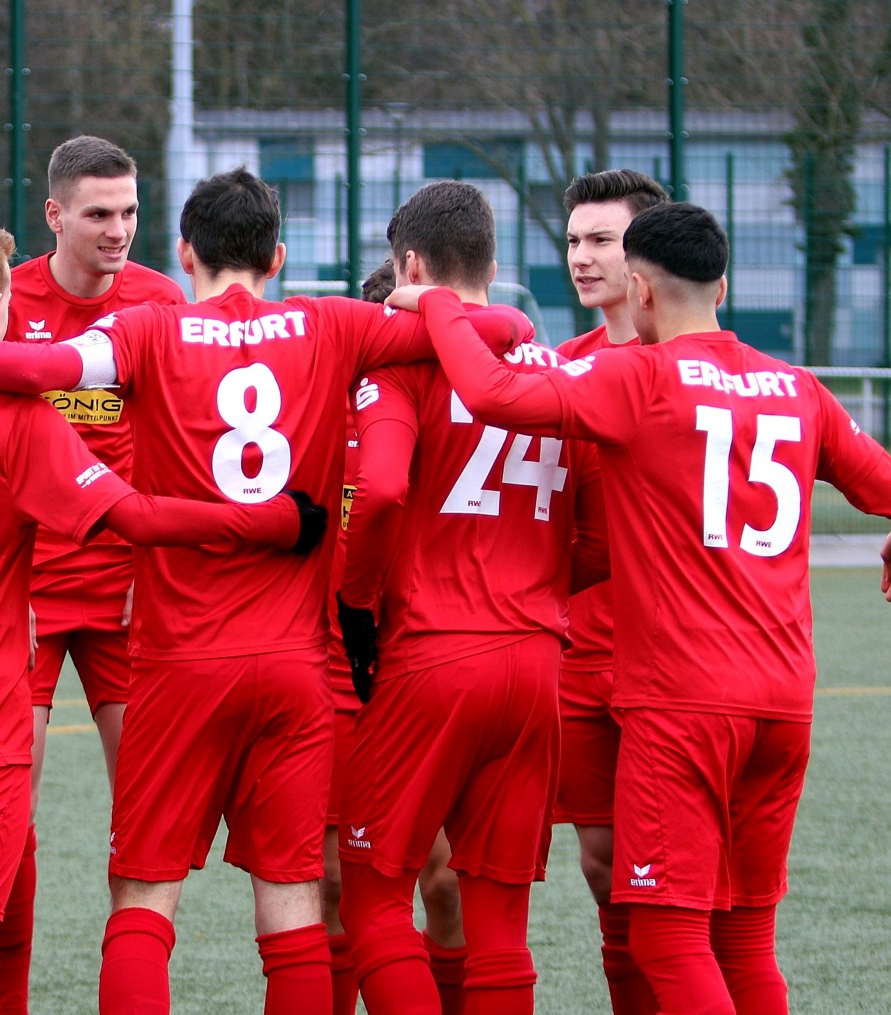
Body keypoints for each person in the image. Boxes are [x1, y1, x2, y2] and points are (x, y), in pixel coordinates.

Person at [0, 167, 438, 1015]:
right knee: (295, 905)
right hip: (296, 666)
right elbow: (499, 327)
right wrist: (426, 303)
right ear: (280, 255)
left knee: (143, 900)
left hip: (178, 657)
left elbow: (44, 365)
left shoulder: (150, 329)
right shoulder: (334, 323)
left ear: (182, 249)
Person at [388, 201, 891, 1015]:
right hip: (784, 705)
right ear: (723, 284)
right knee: (746, 938)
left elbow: (491, 389)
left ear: (638, 290)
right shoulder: (799, 388)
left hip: (682, 704)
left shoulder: (639, 377)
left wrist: (434, 300)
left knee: (665, 940)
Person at [335, 182, 604, 1015]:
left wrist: (356, 601)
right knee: (500, 927)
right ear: (492, 264)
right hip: (535, 664)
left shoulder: (407, 367)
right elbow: (599, 531)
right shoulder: (558, 371)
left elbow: (377, 493)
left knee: (375, 897)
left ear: (409, 268)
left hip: (432, 653)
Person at [0, 134, 188, 1015]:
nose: (119, 231)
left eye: (132, 213)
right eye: (100, 214)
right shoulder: (8, 298)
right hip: (25, 591)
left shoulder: (158, 299)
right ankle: (8, 996)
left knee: (146, 809)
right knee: (3, 812)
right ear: (55, 216)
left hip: (126, 590)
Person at [323, 258, 467, 1015]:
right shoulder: (326, 412)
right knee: (338, 882)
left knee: (447, 882)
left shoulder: (458, 414)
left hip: (427, 664)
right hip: (338, 673)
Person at [551, 167, 669, 1015]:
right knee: (603, 866)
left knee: (680, 886)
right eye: (574, 241)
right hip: (580, 658)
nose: (582, 258)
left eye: (602, 240)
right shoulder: (564, 369)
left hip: (680, 669)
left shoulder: (703, 369)